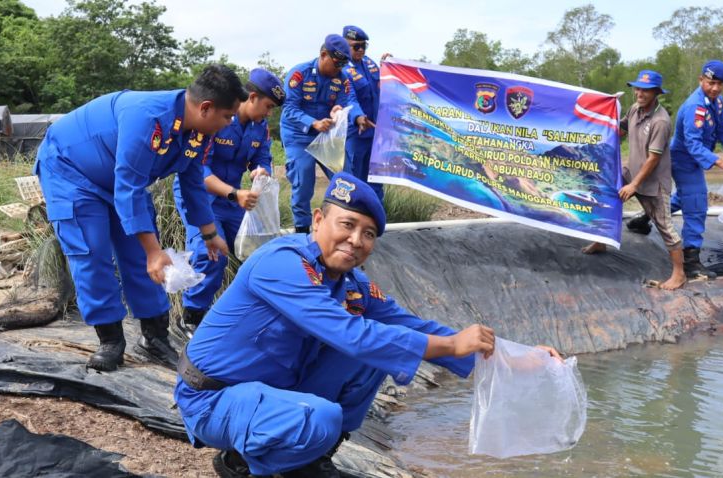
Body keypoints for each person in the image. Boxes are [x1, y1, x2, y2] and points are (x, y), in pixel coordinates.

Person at [174, 172, 561, 478]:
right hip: (214, 398)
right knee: (325, 412)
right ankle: (241, 462)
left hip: (273, 390)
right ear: (319, 220)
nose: (356, 240)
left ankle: (310, 458)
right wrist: (450, 346)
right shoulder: (281, 263)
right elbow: (351, 334)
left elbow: (411, 326)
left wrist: (519, 357)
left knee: (381, 354)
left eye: (369, 234)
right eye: (348, 225)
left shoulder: (352, 283)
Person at [34, 65, 247, 371]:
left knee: (141, 256)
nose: (228, 124)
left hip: (118, 180)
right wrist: (152, 252)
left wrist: (210, 233)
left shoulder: (198, 132)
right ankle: (111, 340)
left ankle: (155, 337)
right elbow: (129, 187)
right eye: (227, 117)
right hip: (72, 173)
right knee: (92, 251)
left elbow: (192, 181)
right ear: (205, 108)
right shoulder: (147, 118)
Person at [172, 68, 285, 336]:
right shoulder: (219, 119)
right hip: (202, 197)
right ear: (253, 97)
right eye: (268, 106)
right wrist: (235, 194)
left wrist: (261, 170)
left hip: (233, 200)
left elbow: (262, 157)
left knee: (256, 253)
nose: (269, 113)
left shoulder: (260, 129)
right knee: (211, 255)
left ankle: (247, 315)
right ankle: (190, 317)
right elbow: (198, 171)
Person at [634, 60, 723, 279]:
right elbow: (693, 144)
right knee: (696, 203)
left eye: (720, 84)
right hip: (683, 159)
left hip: (697, 157)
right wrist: (719, 161)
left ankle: (645, 216)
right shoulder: (694, 107)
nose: (715, 88)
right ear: (701, 80)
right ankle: (691, 261)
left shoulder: (717, 102)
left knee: (687, 197)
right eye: (711, 83)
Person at [582, 70, 685, 289]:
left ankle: (679, 273)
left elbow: (654, 159)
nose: (640, 93)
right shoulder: (635, 109)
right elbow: (622, 128)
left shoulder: (660, 121)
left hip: (652, 182)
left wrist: (634, 185)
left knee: (664, 225)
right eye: (637, 88)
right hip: (631, 171)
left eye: (646, 90)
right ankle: (601, 241)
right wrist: (607, 112)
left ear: (656, 93)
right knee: (604, 193)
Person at [280, 34, 374, 234]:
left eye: (342, 65)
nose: (339, 69)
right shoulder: (299, 74)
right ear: (324, 55)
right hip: (299, 135)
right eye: (336, 63)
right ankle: (302, 229)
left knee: (344, 177)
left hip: (326, 134)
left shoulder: (342, 78)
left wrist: (347, 114)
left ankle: (341, 222)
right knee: (304, 178)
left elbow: (346, 101)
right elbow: (289, 109)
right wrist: (313, 122)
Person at [341, 25, 383, 201]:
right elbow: (348, 98)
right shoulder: (342, 69)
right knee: (355, 182)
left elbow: (383, 86)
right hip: (356, 132)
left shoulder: (370, 63)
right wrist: (358, 117)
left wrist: (389, 67)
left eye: (363, 46)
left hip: (376, 133)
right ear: (345, 45)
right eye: (356, 46)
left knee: (376, 180)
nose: (360, 50)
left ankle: (377, 220)